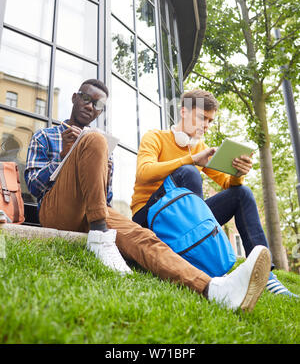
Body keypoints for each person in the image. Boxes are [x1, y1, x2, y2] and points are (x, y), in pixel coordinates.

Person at [24, 79, 271, 312]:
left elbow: (105, 199)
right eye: (87, 99)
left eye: (98, 105)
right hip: (59, 209)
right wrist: (65, 158)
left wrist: (103, 176)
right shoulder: (46, 136)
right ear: (75, 98)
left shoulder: (102, 146)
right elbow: (34, 186)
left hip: (95, 215)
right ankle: (102, 236)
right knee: (96, 140)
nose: (91, 107)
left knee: (145, 239)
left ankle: (215, 289)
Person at [131, 89, 298, 299]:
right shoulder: (155, 137)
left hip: (183, 218)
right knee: (189, 173)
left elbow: (229, 185)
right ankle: (202, 259)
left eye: (210, 121)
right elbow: (144, 172)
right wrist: (191, 160)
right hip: (148, 217)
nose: (206, 126)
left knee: (242, 193)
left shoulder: (200, 148)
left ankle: (265, 275)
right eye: (202, 118)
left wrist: (238, 173)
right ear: (183, 112)